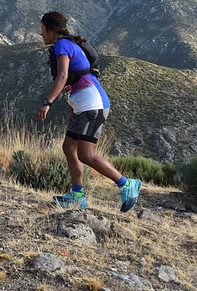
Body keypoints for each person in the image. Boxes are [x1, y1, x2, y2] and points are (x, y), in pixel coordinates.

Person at [34, 11, 141, 212]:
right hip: (82, 105)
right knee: (68, 146)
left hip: (93, 104)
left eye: (42, 29)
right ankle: (78, 196)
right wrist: (71, 111)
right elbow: (73, 82)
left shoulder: (62, 45)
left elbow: (63, 76)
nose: (41, 34)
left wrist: (46, 102)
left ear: (51, 30)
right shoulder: (67, 44)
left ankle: (127, 185)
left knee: (86, 155)